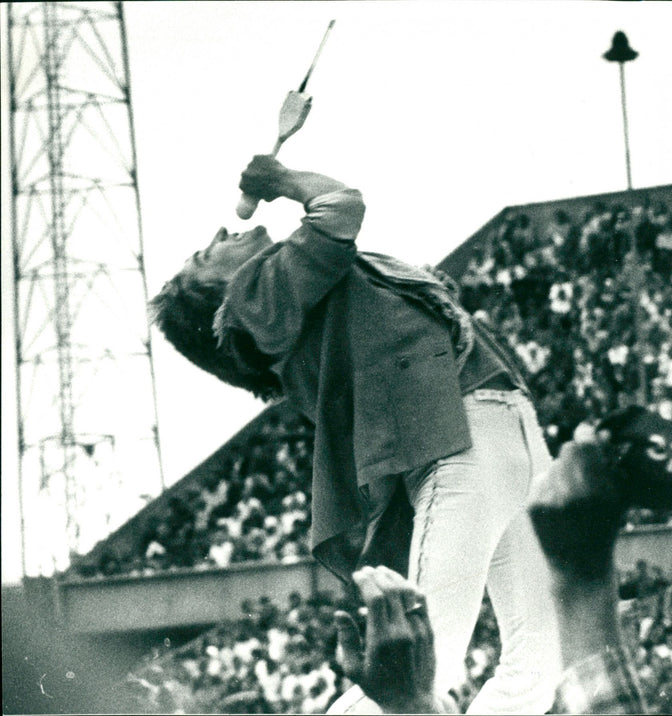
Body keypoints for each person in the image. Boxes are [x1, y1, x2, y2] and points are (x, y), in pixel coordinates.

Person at [149, 97, 559, 714]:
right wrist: (282, 182)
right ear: (217, 297)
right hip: (465, 440)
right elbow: (341, 206)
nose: (219, 233)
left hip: (499, 426)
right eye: (206, 254)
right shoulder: (254, 300)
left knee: (536, 662)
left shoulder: (287, 291)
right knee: (430, 657)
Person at [334, 425, 647, 714]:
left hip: (488, 422)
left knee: (524, 669)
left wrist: (409, 705)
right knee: (440, 656)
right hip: (476, 421)